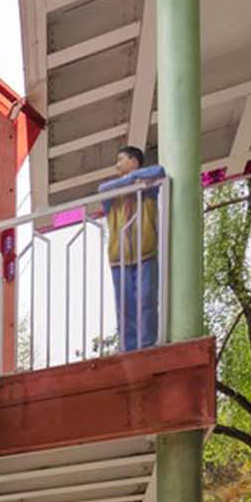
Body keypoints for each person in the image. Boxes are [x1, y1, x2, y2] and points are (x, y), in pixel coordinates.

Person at [97, 145, 166, 352]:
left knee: (146, 299)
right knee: (125, 305)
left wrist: (135, 179)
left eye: (121, 160)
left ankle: (146, 343)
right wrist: (130, 181)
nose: (117, 165)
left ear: (134, 161)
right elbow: (102, 189)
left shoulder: (148, 188)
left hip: (145, 252)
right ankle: (128, 347)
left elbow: (159, 171)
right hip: (119, 257)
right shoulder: (114, 195)